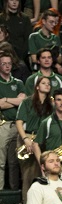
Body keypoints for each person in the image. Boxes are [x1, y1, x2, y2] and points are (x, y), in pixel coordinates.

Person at [0, 49, 24, 191]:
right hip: (2, 126)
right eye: (3, 64)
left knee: (14, 162)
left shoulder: (19, 83)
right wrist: (16, 100)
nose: (7, 66)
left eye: (9, 63)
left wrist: (6, 100)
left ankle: (15, 192)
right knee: (1, 162)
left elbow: (24, 101)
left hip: (17, 125)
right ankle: (1, 192)